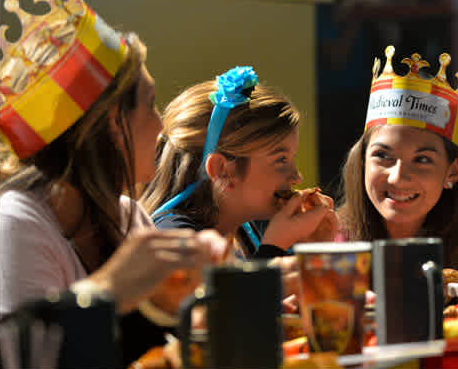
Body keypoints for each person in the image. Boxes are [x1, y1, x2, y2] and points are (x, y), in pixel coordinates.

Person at [0, 0, 228, 369]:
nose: (161, 126)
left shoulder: (128, 216)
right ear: (110, 123)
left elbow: (139, 365)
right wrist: (110, 288)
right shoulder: (16, 221)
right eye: (151, 105)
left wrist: (169, 303)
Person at [140, 68, 337, 260]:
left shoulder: (246, 231)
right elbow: (235, 294)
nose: (297, 177)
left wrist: (311, 251)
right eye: (281, 160)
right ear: (222, 170)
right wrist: (275, 246)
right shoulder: (174, 241)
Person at [337, 46, 458, 272]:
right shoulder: (325, 246)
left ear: (453, 172)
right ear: (361, 162)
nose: (398, 177)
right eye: (382, 156)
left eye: (422, 160)